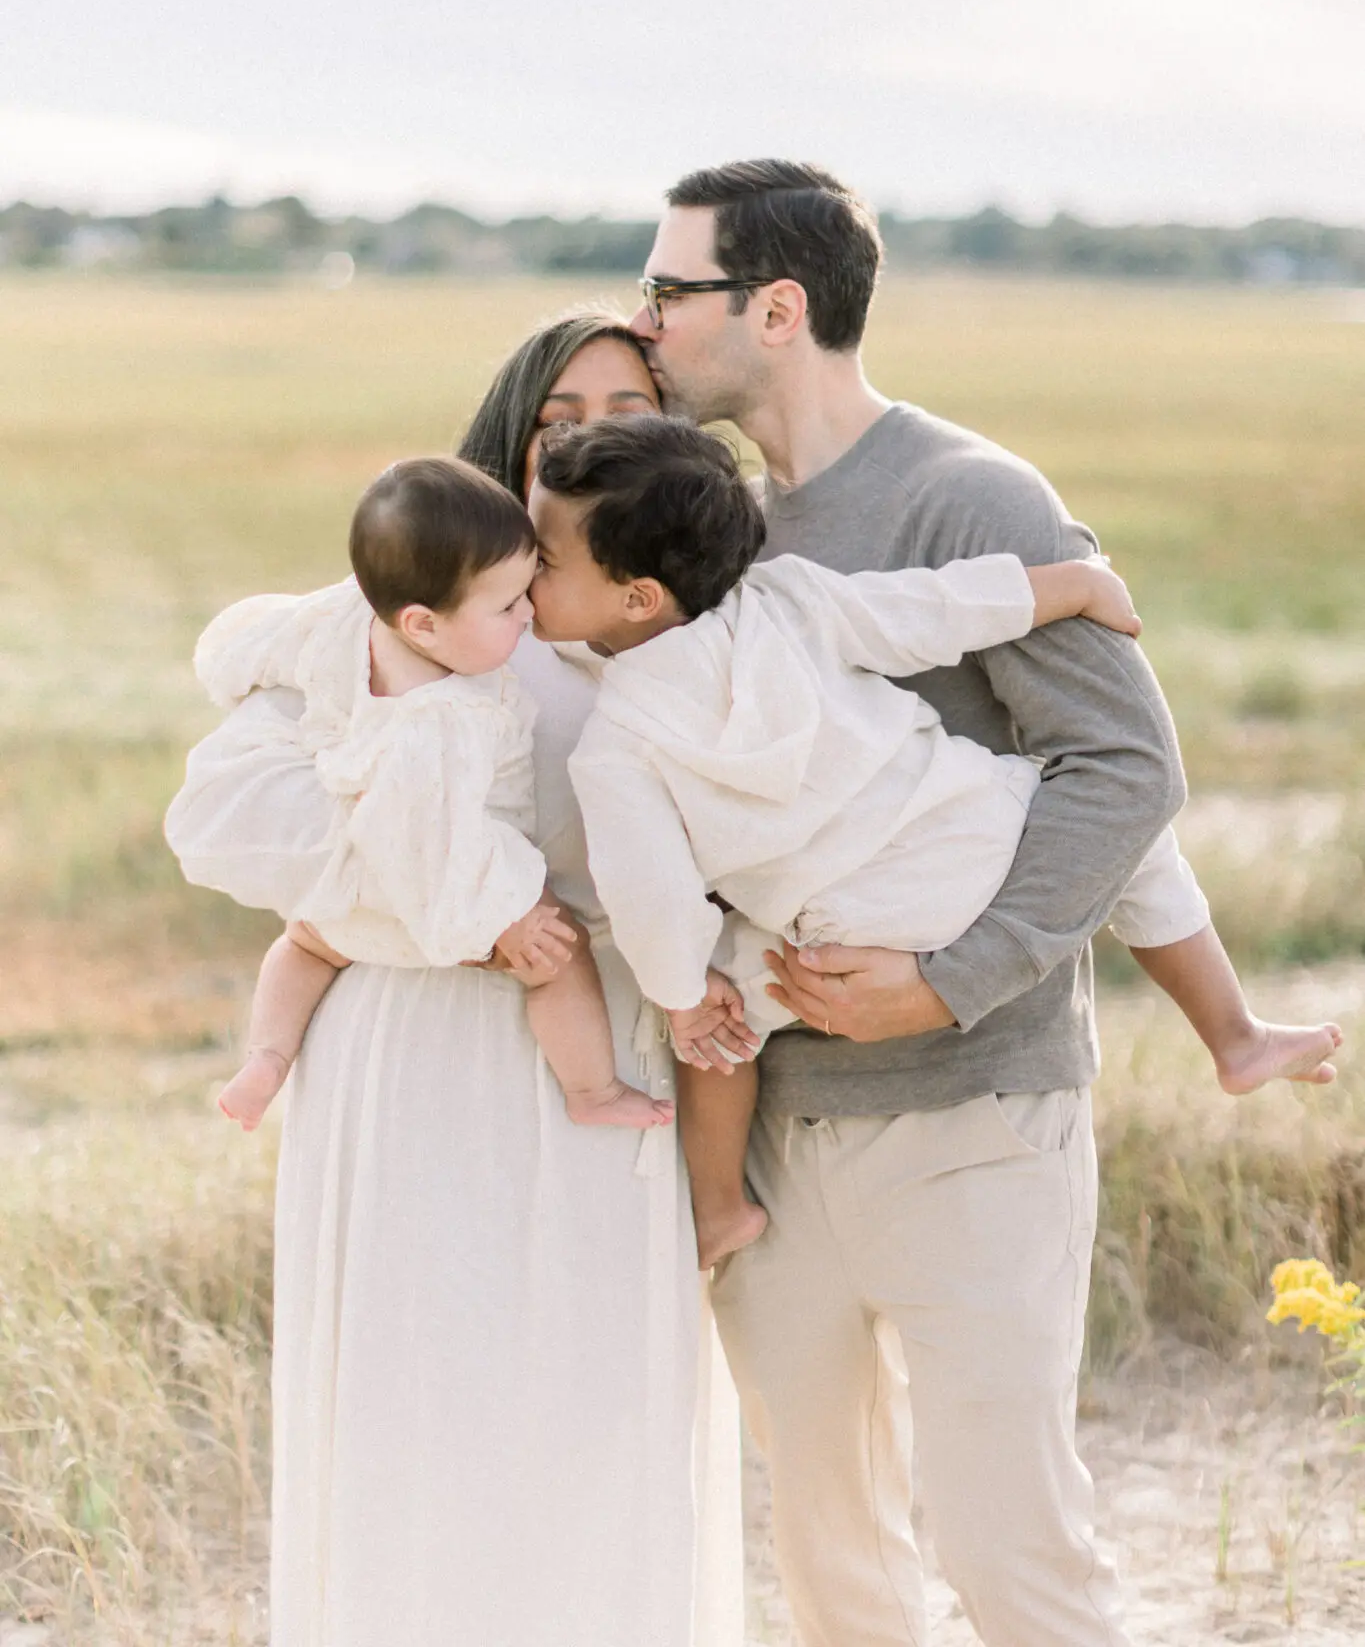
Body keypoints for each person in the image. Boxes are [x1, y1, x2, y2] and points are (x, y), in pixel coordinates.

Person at [621, 160, 1342, 1647]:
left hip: (977, 1114)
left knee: (1010, 1544)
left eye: (669, 289)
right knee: (830, 1563)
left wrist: (957, 976)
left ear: (775, 307)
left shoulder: (968, 496)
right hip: (771, 1132)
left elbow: (1127, 771)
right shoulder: (706, 529)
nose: (646, 321)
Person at [163, 312, 744, 1647]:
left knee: (601, 1415)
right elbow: (229, 819)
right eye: (561, 414)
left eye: (629, 403)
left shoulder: (703, 623)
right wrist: (474, 917)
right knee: (419, 1404)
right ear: (514, 433)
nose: (592, 432)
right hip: (416, 1044)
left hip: (603, 1044)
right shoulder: (406, 607)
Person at [528, 414, 1337, 1269]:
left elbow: (649, 895)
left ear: (636, 598)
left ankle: (719, 1206)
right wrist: (1071, 585)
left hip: (843, 928)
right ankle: (1233, 1035)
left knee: (728, 1027)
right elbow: (929, 611)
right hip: (981, 832)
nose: (527, 570)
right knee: (1134, 847)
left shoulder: (616, 743)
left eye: (544, 560)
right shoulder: (788, 600)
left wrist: (685, 993)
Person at [178, 455, 670, 1135]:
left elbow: (252, 639)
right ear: (423, 625)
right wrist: (503, 917)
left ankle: (266, 1057)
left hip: (350, 892)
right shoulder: (445, 720)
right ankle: (592, 1088)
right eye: (505, 606)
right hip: (446, 884)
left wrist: (229, 666)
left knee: (305, 946)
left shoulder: (343, 621)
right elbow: (434, 841)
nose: (526, 613)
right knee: (560, 955)